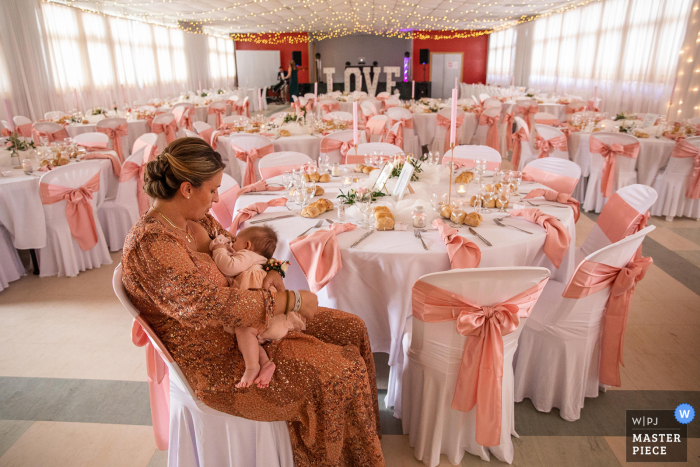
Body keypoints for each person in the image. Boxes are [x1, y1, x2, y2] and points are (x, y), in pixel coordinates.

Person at [121, 138, 384, 467]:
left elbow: (240, 247)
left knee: (352, 328)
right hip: (214, 355)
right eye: (213, 190)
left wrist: (272, 270)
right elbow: (208, 304)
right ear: (187, 189)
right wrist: (288, 301)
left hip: (248, 323)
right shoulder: (152, 242)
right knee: (339, 372)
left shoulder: (196, 220)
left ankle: (361, 442)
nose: (217, 198)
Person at [209, 226, 306, 389]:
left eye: (235, 241)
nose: (232, 244)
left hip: (258, 310)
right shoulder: (261, 261)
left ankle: (252, 367)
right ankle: (266, 363)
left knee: (244, 331)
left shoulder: (247, 255)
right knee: (249, 340)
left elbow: (228, 267)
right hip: (273, 318)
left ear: (247, 245)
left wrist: (219, 248)